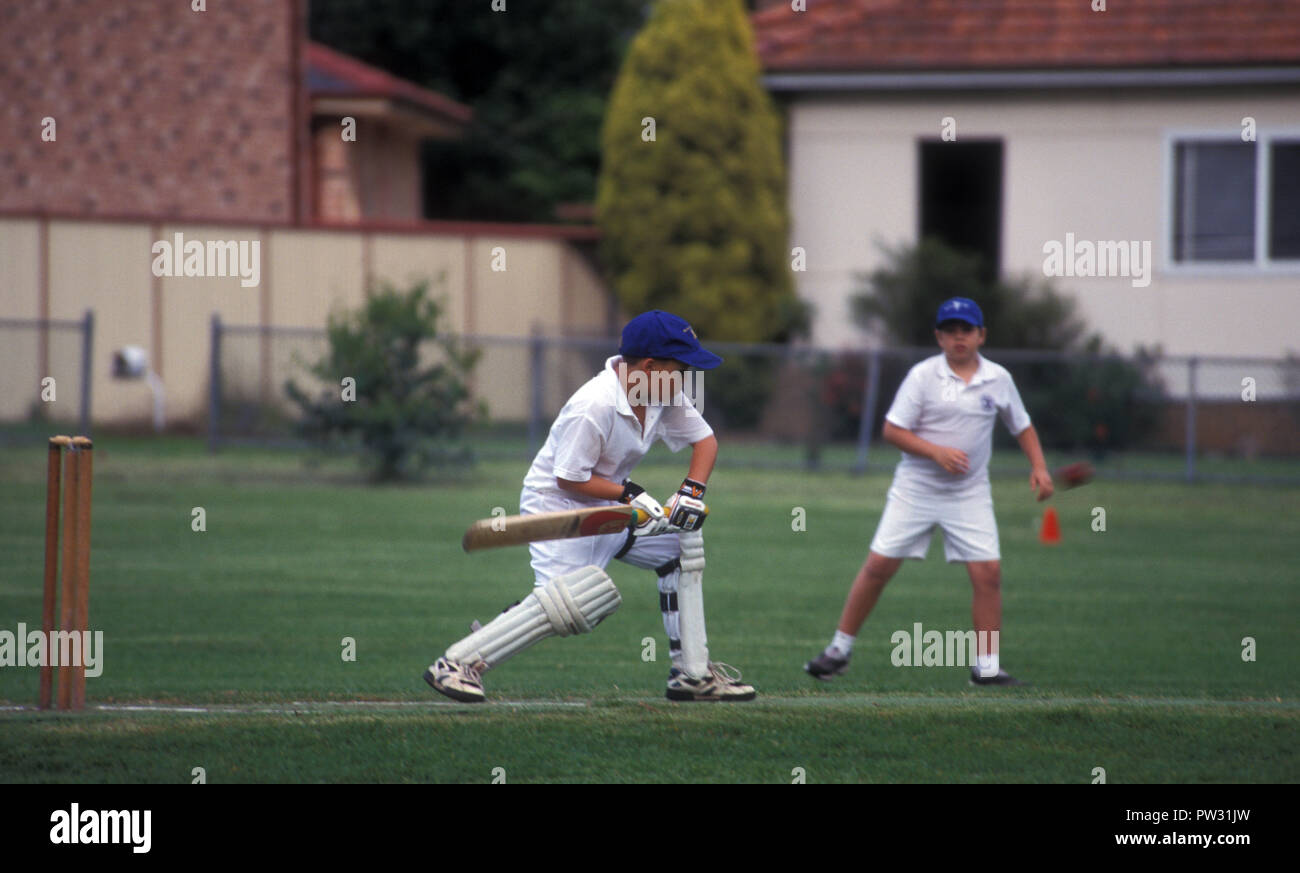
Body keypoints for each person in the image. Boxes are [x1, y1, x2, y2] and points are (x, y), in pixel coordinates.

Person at [426, 310, 756, 702]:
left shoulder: (660, 392)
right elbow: (569, 477)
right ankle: (458, 663)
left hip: (613, 505)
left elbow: (706, 442)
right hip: (560, 508)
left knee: (679, 551)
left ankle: (692, 674)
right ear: (649, 366)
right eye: (680, 367)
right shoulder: (594, 405)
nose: (686, 376)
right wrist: (629, 493)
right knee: (573, 604)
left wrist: (691, 492)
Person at [805, 297, 1053, 686]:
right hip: (916, 488)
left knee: (988, 574)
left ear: (981, 335)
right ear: (938, 337)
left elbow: (1021, 424)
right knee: (878, 566)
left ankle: (987, 667)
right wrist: (935, 451)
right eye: (951, 331)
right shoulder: (922, 376)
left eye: (966, 330)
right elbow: (892, 430)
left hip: (969, 493)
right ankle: (838, 650)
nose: (959, 337)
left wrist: (1038, 467)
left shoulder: (999, 379)